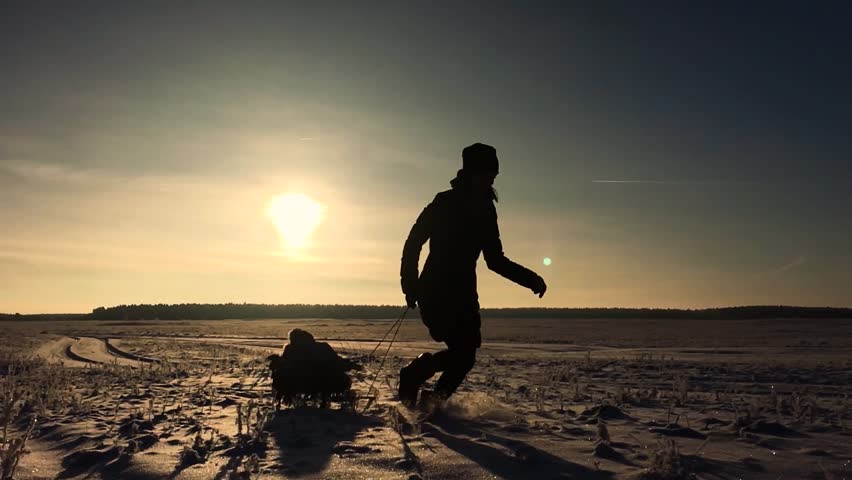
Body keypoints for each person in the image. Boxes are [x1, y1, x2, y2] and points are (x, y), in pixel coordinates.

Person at [398, 142, 547, 410]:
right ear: (471, 172)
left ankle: (430, 400)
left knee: (466, 357)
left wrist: (530, 278)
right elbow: (413, 242)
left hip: (464, 295)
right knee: (463, 352)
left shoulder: (487, 211)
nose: (491, 179)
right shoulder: (444, 202)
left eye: (494, 175)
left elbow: (495, 260)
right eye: (487, 173)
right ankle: (416, 377)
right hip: (435, 291)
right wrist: (410, 284)